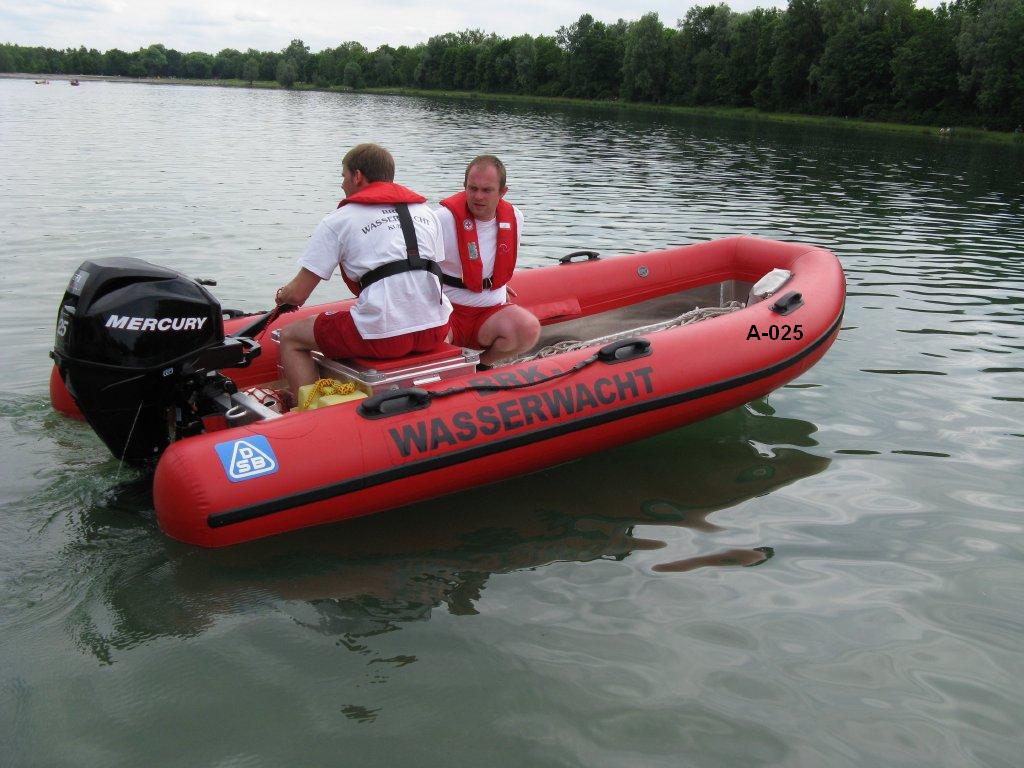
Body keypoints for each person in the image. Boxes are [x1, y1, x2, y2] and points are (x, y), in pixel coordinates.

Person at [275, 143, 452, 396]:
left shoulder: (340, 220)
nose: (342, 184)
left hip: (382, 336)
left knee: (291, 337)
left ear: (357, 176)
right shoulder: (428, 213)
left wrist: (282, 295)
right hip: (436, 331)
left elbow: (297, 295)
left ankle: (311, 414)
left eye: (343, 176)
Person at [435, 155, 540, 366]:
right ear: (464, 187)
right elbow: (419, 268)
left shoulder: (515, 217)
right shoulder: (442, 219)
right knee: (429, 338)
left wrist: (497, 280)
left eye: (487, 190)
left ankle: (482, 366)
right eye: (472, 189)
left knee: (528, 328)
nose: (478, 196)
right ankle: (445, 374)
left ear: (502, 192)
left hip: (489, 314)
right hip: (448, 311)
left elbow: (501, 257)